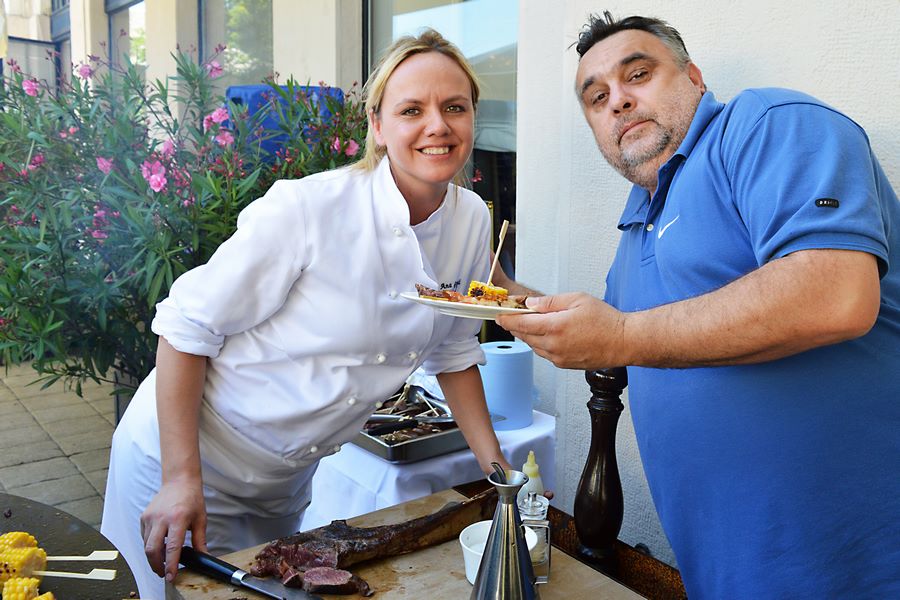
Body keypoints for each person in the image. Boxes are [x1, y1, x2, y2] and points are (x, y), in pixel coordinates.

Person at [497, 11, 900, 600]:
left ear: (693, 77)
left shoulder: (765, 125)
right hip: (721, 571)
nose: (618, 102)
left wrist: (619, 336)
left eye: (639, 74)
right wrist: (494, 290)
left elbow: (836, 293)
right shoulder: (637, 222)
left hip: (854, 565)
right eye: (597, 96)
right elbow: (612, 333)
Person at [101, 29, 513, 599]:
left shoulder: (470, 218)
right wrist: (180, 479)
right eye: (411, 110)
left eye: (454, 107)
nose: (437, 126)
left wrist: (502, 477)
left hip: (283, 483)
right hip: (186, 460)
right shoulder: (307, 208)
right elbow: (185, 328)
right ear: (377, 125)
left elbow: (454, 352)